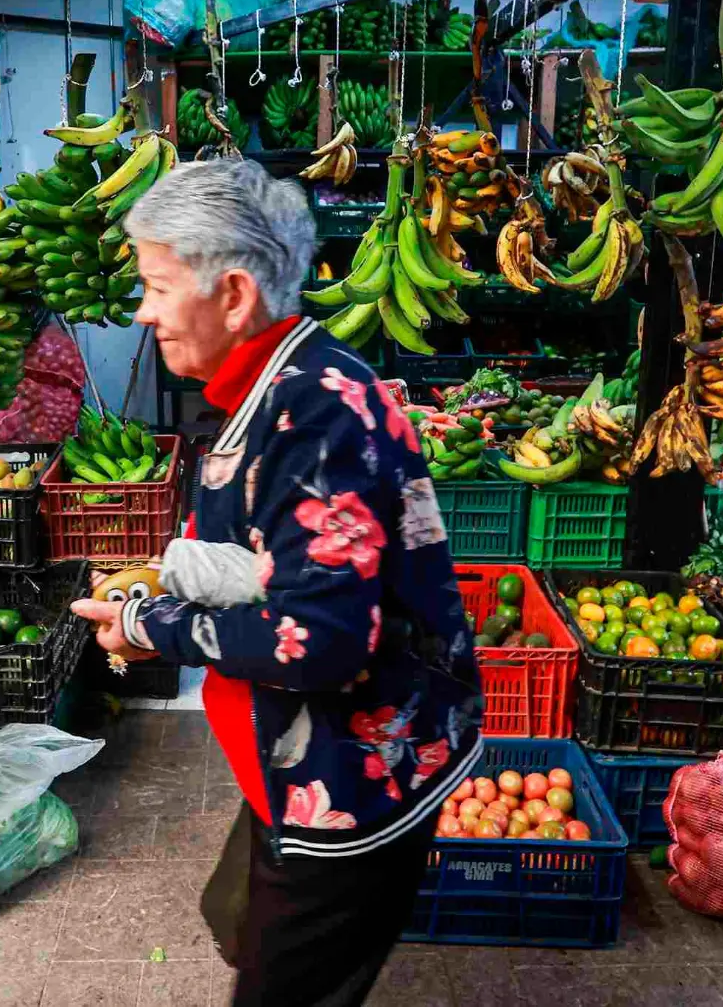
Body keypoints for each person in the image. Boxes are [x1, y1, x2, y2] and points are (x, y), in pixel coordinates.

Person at [70, 160, 483, 1007]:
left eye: (154, 286)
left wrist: (151, 626)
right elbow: (278, 562)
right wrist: (173, 579)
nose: (143, 313)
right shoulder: (279, 384)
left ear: (231, 294)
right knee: (237, 918)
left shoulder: (315, 412)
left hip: (354, 770)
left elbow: (319, 643)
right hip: (298, 754)